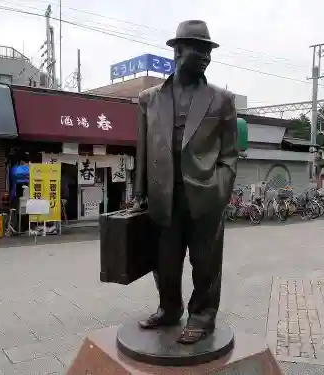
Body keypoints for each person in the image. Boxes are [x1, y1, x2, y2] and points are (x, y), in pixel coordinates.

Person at [133, 20, 238, 344]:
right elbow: (143, 147)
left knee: (205, 262)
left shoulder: (222, 100)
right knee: (163, 261)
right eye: (199, 48)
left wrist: (219, 189)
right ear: (178, 51)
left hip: (205, 195)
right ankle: (169, 308)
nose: (206, 56)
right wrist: (140, 192)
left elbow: (230, 154)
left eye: (208, 50)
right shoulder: (149, 99)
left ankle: (203, 316)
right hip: (163, 195)